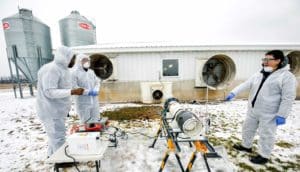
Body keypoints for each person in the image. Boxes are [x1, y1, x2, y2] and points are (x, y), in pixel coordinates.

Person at [225, 50, 297, 164]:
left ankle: (264, 155)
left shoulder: (287, 77)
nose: (265, 62)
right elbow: (246, 84)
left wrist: (282, 115)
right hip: (253, 109)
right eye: (264, 59)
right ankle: (246, 146)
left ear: (278, 61)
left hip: (270, 112)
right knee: (247, 128)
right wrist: (233, 92)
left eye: (269, 59)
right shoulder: (260, 73)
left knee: (266, 134)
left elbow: (288, 98)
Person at [36, 46, 84, 156]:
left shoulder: (64, 70)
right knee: (57, 137)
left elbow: (65, 86)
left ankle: (52, 156)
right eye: (72, 58)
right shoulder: (52, 69)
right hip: (50, 110)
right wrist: (72, 92)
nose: (74, 61)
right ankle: (61, 161)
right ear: (65, 57)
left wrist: (76, 89)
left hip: (57, 109)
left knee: (55, 136)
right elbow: (49, 91)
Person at [72, 53, 100, 124]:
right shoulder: (74, 73)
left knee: (96, 122)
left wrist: (96, 90)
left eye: (88, 60)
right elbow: (74, 87)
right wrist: (88, 92)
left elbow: (97, 82)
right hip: (83, 103)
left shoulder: (91, 72)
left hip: (94, 102)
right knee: (86, 123)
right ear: (79, 62)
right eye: (84, 60)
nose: (86, 62)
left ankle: (96, 134)